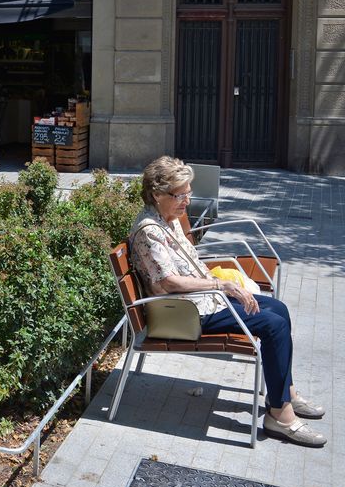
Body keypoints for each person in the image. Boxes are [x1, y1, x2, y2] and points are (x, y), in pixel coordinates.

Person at [129, 156, 324, 447]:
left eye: (189, 191)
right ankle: (279, 416)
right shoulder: (150, 232)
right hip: (184, 313)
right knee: (272, 325)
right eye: (180, 194)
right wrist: (222, 284)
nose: (187, 200)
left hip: (201, 302)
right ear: (157, 194)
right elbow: (168, 283)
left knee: (279, 309)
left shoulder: (167, 219)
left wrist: (222, 285)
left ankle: (285, 394)